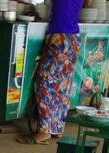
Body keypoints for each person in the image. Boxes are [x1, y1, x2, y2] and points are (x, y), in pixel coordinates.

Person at [18, 0, 83, 145]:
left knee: (44, 82)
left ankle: (45, 131)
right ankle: (58, 127)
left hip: (60, 37)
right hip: (74, 38)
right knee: (63, 84)